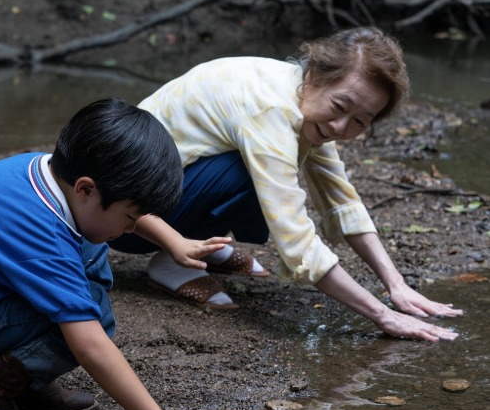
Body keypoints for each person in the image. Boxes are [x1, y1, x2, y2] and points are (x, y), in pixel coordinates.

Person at [111, 27, 463, 342]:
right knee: (253, 174)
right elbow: (295, 238)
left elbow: (340, 200)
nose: (342, 127)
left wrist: (396, 284)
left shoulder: (300, 98)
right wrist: (383, 315)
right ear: (313, 75)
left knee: (263, 167)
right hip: (125, 219)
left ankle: (203, 240)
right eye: (340, 106)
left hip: (159, 193)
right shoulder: (272, 111)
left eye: (360, 120)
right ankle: (173, 261)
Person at [0, 97, 224, 410]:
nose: (132, 228)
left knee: (90, 250)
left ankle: (25, 379)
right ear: (85, 189)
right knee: (93, 315)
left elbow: (122, 205)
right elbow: (91, 346)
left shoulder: (45, 172)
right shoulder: (41, 235)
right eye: (129, 218)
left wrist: (174, 242)